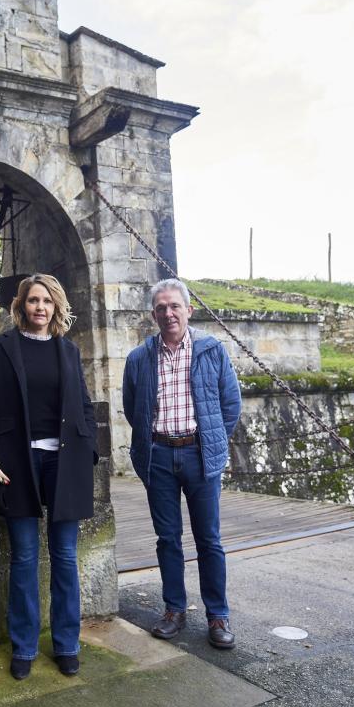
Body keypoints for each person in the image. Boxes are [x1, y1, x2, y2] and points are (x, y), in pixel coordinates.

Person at [0, 273, 97, 680]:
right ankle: (24, 646)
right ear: (21, 306)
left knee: (64, 556)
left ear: (56, 306)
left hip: (64, 463)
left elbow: (84, 405)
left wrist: (89, 452)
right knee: (24, 557)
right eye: (32, 301)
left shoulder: (69, 351)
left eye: (46, 301)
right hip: (15, 464)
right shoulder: (0, 348)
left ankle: (66, 644)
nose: (39, 307)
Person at [122, 278, 241, 649]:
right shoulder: (139, 358)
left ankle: (217, 615)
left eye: (175, 307)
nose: (168, 314)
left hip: (200, 454)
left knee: (209, 539)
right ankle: (174, 609)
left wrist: (213, 441)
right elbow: (132, 408)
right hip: (159, 455)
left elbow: (230, 405)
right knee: (167, 538)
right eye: (161, 308)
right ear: (153, 314)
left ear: (188, 310)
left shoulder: (211, 350)